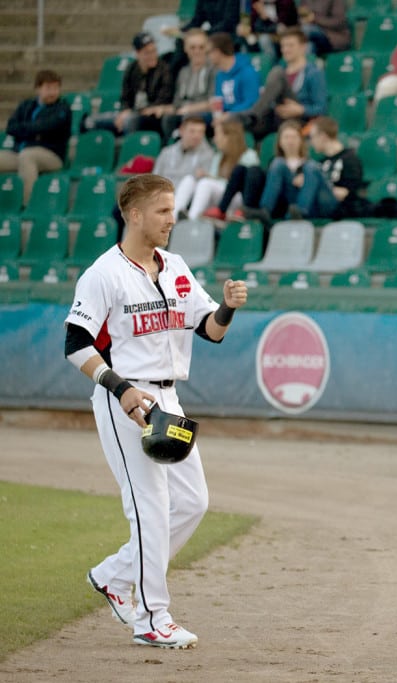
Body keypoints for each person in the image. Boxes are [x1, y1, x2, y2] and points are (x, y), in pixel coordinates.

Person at [64, 173, 248, 648]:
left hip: (169, 401)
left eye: (173, 209)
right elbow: (75, 343)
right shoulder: (103, 273)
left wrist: (226, 308)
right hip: (127, 400)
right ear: (134, 215)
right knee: (149, 510)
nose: (172, 218)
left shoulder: (176, 266)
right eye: (163, 210)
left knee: (192, 502)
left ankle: (113, 575)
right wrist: (120, 388)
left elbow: (209, 329)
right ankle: (151, 617)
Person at [0, 69, 71, 208]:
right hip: (18, 153)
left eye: (56, 88)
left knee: (28, 156)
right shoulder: (26, 106)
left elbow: (47, 126)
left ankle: (28, 206)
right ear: (38, 88)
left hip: (52, 156)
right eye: (48, 88)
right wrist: (32, 130)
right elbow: (10, 127)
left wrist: (24, 129)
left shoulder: (63, 108)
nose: (53, 92)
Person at [241, 28, 327, 138]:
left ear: (303, 47)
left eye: (290, 46)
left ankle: (252, 116)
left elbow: (322, 108)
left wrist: (301, 110)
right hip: (276, 116)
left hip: (300, 120)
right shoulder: (282, 70)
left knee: (277, 72)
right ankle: (248, 118)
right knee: (233, 124)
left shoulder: (313, 73)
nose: (285, 50)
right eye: (283, 46)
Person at [88, 33, 175, 137]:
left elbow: (162, 100)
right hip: (132, 112)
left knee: (130, 120)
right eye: (147, 53)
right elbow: (125, 97)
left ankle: (130, 149)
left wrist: (131, 113)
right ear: (138, 54)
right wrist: (125, 111)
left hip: (152, 116)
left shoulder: (164, 70)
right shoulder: (132, 69)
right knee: (91, 121)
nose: (152, 56)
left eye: (154, 51)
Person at [174, 115, 260, 220]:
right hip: (218, 195)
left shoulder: (248, 155)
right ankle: (174, 218)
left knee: (205, 183)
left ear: (228, 137)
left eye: (217, 135)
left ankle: (192, 219)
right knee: (189, 179)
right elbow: (215, 180)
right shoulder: (219, 156)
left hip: (237, 198)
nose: (214, 140)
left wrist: (209, 177)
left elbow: (248, 185)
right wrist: (208, 176)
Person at [284, 115, 368, 220]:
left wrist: (313, 183)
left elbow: (345, 193)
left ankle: (300, 211)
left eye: (312, 137)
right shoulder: (321, 162)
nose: (311, 142)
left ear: (322, 136)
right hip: (317, 205)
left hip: (337, 207)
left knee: (310, 167)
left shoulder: (350, 159)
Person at [241, 119, 311, 224]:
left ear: (301, 140)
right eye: (286, 137)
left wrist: (305, 180)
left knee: (278, 163)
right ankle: (261, 210)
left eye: (294, 137)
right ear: (280, 141)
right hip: (279, 202)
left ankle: (265, 210)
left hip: (295, 201)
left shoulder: (309, 165)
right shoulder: (273, 163)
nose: (290, 141)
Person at [161, 30, 217, 141]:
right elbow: (177, 102)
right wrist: (164, 109)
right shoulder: (183, 72)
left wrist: (189, 109)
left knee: (188, 118)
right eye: (193, 47)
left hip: (205, 113)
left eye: (201, 47)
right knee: (167, 118)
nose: (197, 51)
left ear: (207, 48)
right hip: (184, 111)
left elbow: (213, 102)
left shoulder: (214, 70)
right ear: (186, 49)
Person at [152, 115, 216, 189]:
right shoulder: (166, 152)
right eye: (192, 131)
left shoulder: (208, 154)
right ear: (181, 131)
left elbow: (202, 185)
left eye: (201, 132)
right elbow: (155, 177)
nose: (196, 136)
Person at [208, 32, 262, 117]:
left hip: (244, 117)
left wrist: (229, 114)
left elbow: (252, 102)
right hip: (225, 116)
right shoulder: (219, 75)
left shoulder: (248, 72)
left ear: (217, 52)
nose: (207, 56)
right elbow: (220, 102)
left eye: (208, 52)